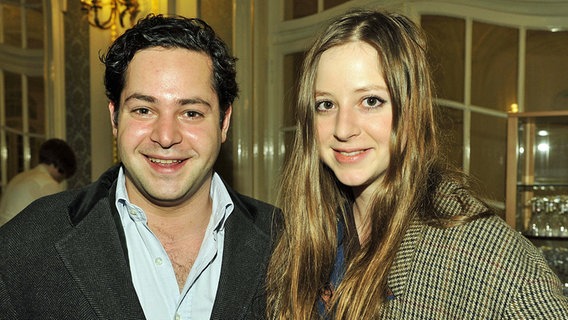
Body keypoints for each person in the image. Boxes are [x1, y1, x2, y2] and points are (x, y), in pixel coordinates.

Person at [265, 9, 568, 319]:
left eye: (371, 101)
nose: (343, 128)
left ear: (412, 110)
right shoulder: (312, 231)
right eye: (326, 104)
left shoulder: (480, 252)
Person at [0, 14, 279, 319]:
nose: (166, 136)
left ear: (224, 122)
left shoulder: (290, 243)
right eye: (144, 109)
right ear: (115, 118)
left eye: (191, 113)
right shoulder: (26, 245)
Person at [0, 138, 76, 226]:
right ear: (59, 166)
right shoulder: (48, 183)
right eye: (64, 175)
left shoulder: (19, 177)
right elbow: (61, 222)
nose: (61, 179)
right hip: (17, 236)